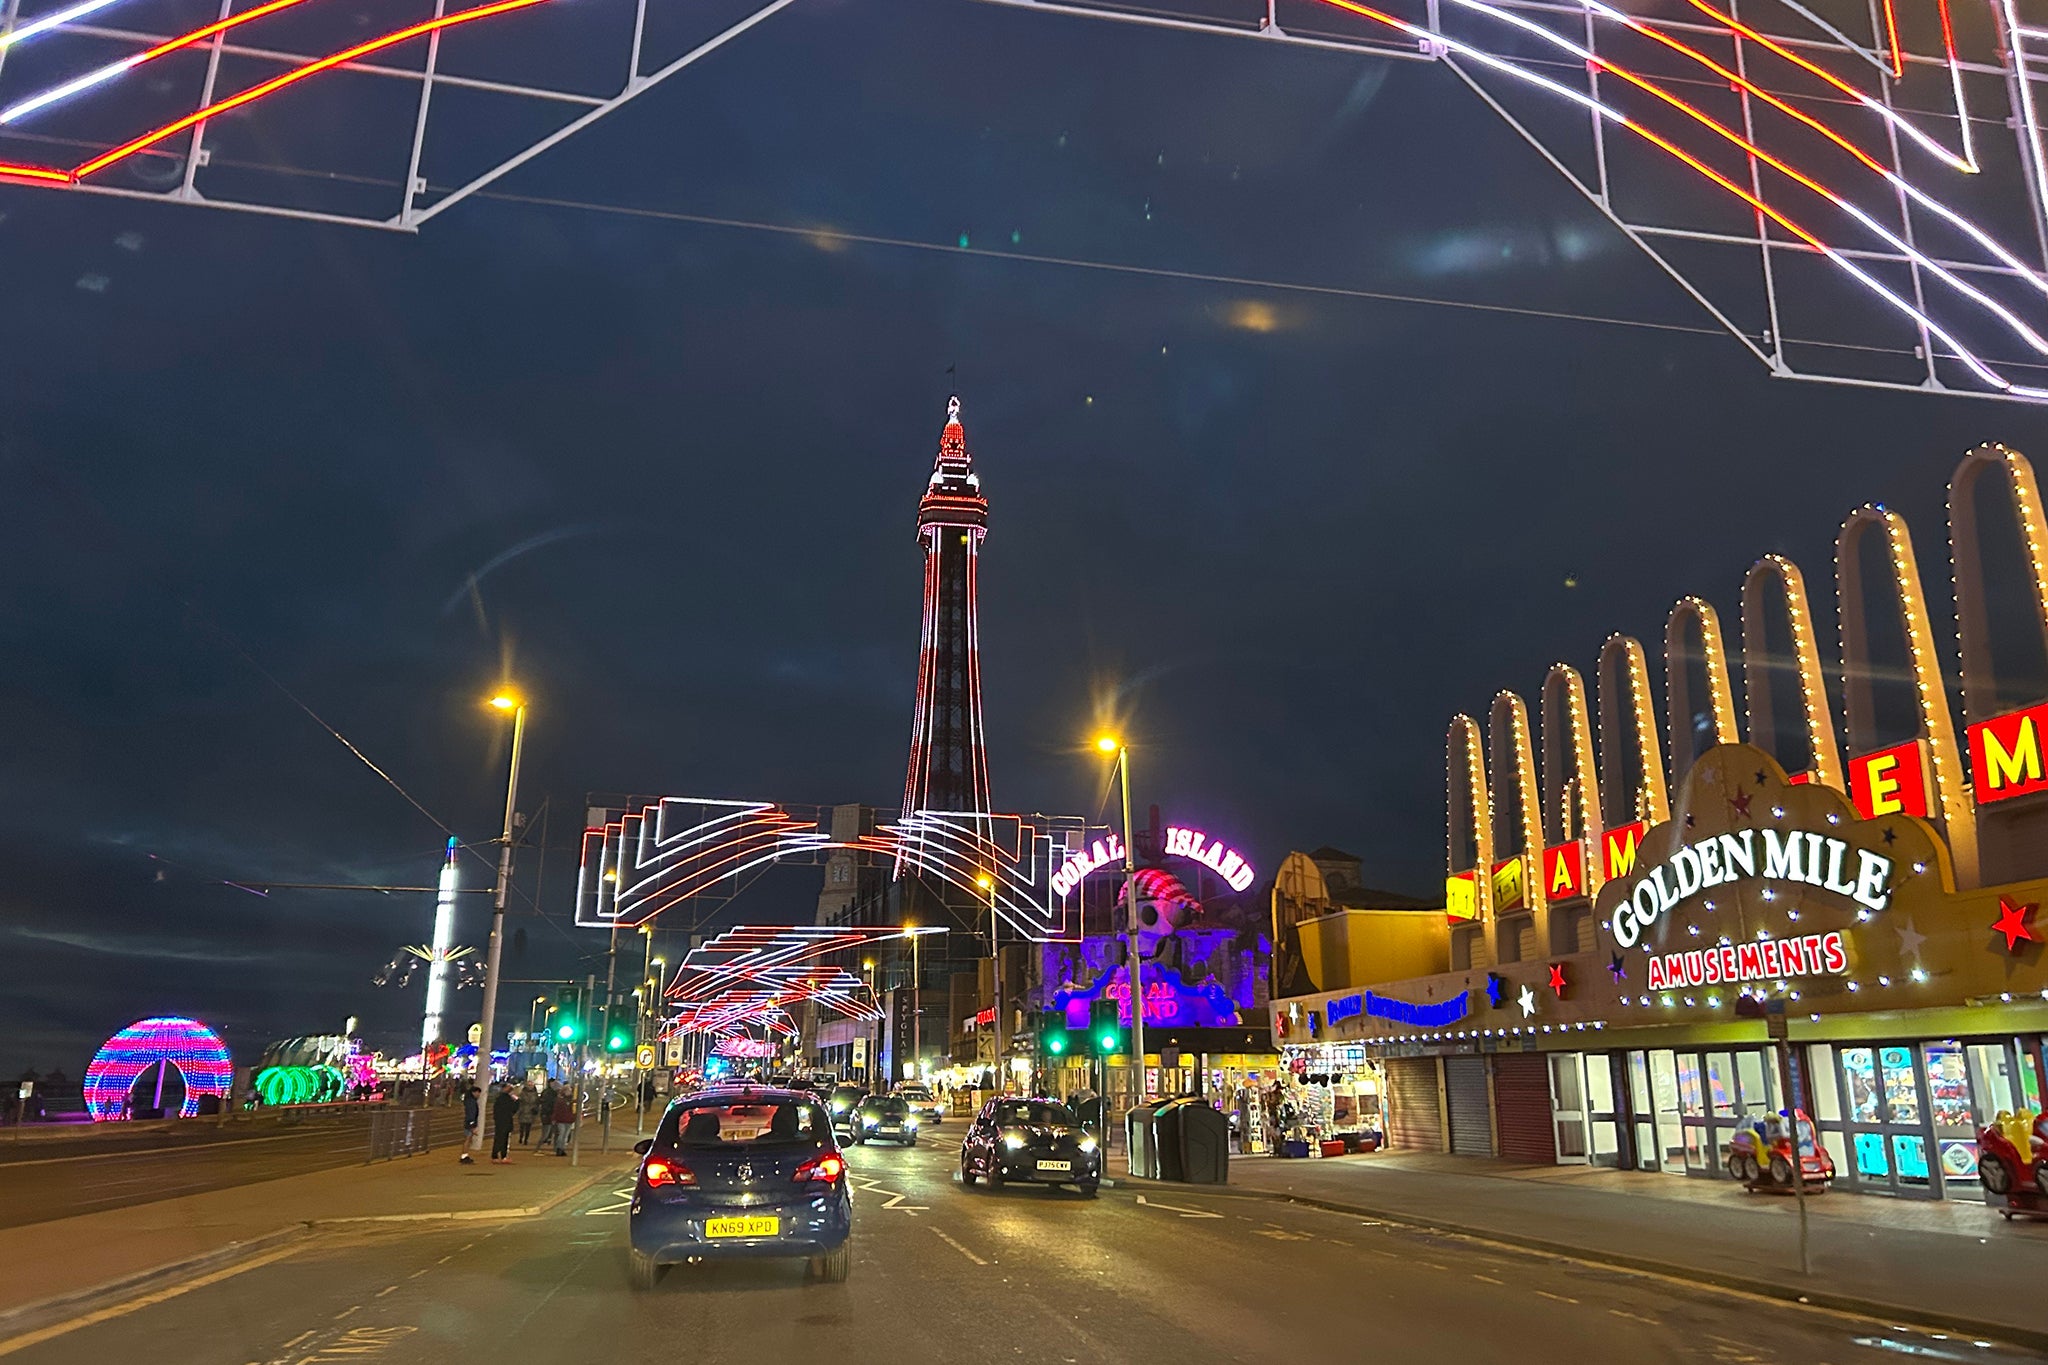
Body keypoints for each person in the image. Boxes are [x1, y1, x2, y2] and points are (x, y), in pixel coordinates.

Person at [491, 1083, 519, 1163]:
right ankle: (503, 1156)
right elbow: (514, 1109)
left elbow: (495, 1110)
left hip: (499, 1121)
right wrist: (516, 1099)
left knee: (498, 1138)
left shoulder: (499, 1098)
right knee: (504, 1140)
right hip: (506, 1121)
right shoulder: (508, 1099)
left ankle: (495, 1156)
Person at [458, 1083, 481, 1164]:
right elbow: (471, 1114)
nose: (478, 1095)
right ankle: (464, 1155)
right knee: (467, 1139)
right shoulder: (471, 1102)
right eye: (478, 1093)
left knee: (468, 1139)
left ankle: (465, 1155)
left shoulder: (469, 1101)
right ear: (474, 1092)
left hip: (469, 1122)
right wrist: (472, 1125)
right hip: (470, 1123)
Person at [533, 1081, 559, 1150]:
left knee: (550, 1132)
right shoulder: (552, 1094)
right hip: (549, 1115)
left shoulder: (547, 1092)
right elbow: (550, 1105)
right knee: (547, 1133)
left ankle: (554, 1147)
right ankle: (538, 1148)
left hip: (547, 1115)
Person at [550, 1087, 575, 1156]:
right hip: (561, 1120)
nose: (569, 1092)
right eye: (568, 1091)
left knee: (565, 1135)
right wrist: (554, 1118)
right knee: (561, 1134)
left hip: (569, 1120)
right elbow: (556, 1110)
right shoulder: (560, 1100)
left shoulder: (572, 1100)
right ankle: (559, 1148)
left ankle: (563, 1148)